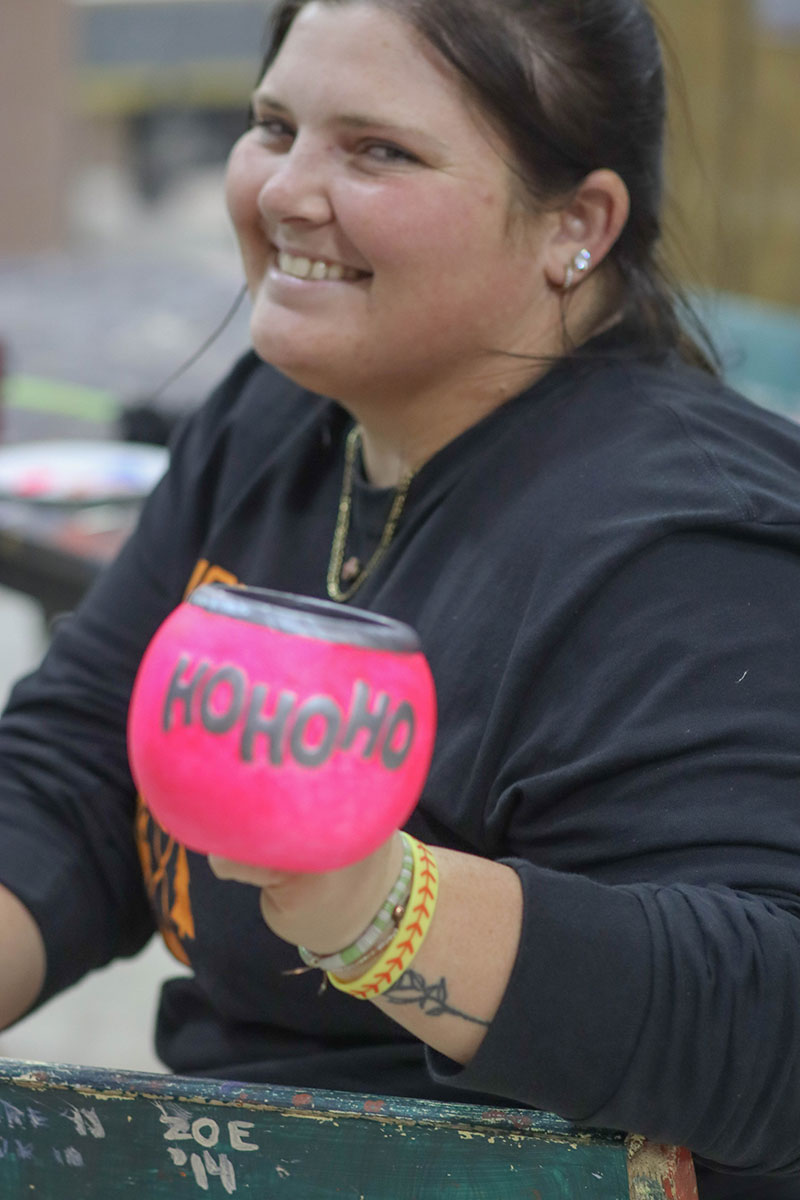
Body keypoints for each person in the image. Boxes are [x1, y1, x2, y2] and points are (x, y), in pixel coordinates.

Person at [1, 1, 799, 1195]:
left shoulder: (688, 541)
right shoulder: (281, 417)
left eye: (378, 151)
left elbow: (768, 1023)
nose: (285, 191)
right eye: (274, 125)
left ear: (574, 226)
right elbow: (74, 778)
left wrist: (375, 903)